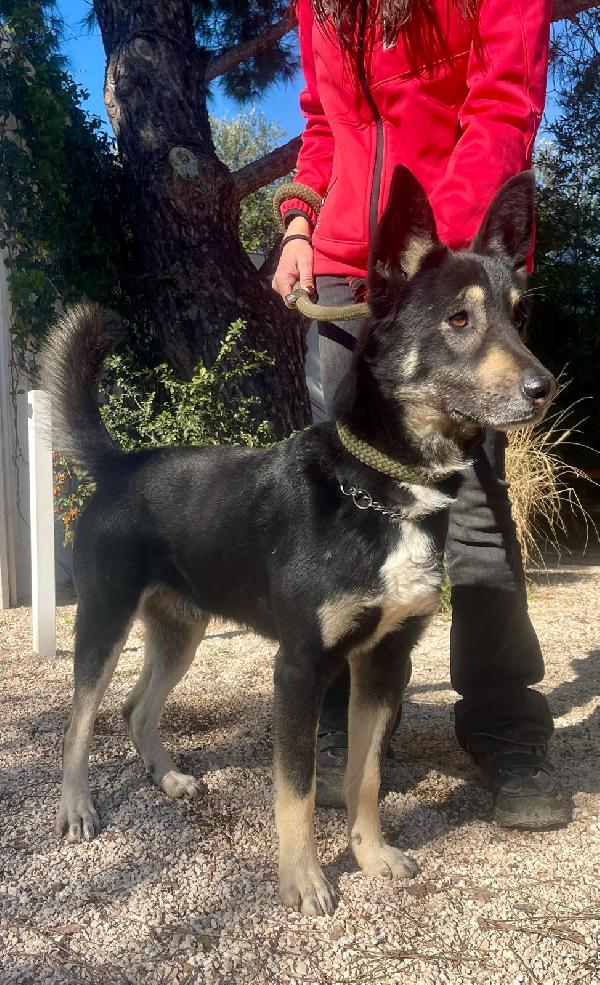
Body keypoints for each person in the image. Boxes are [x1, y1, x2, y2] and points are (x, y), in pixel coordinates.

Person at [271, 0, 570, 829]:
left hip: (446, 275)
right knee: (340, 512)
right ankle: (345, 718)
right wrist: (299, 222)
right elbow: (323, 127)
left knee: (470, 506)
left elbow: (505, 99)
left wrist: (444, 266)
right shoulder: (321, 6)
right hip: (345, 274)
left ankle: (505, 722)